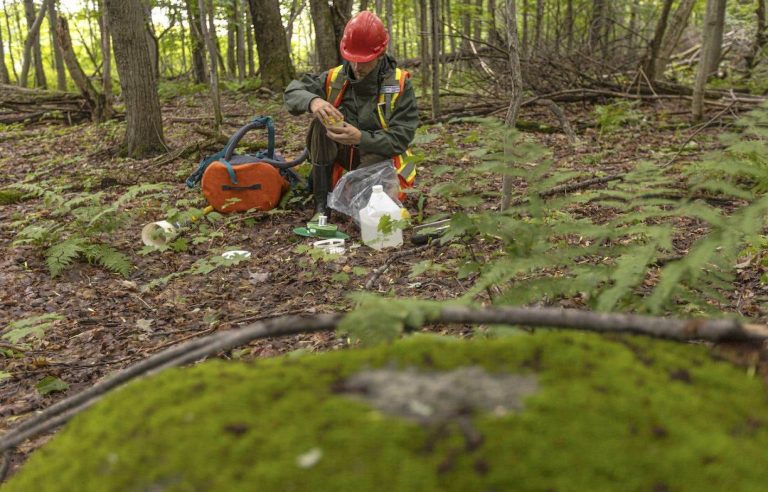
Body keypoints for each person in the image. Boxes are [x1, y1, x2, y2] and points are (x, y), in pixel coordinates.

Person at [284, 11, 419, 219]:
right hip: (343, 159)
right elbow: (293, 92)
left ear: (380, 54)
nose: (356, 67)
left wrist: (360, 138)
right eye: (352, 59)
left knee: (367, 216)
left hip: (381, 161)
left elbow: (400, 138)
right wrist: (314, 101)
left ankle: (357, 199)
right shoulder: (335, 77)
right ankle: (321, 208)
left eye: (364, 61)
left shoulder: (399, 84)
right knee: (320, 125)